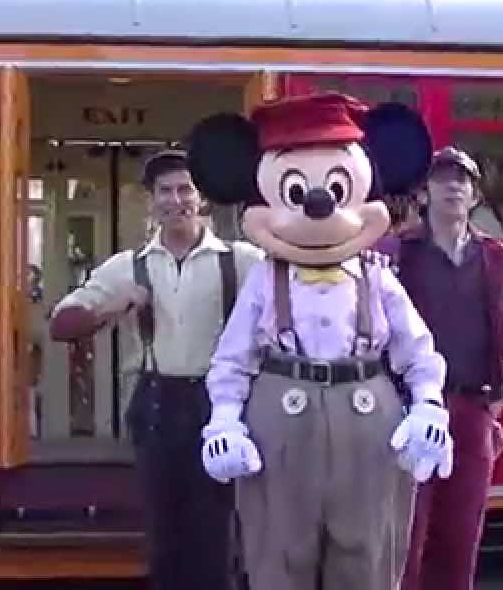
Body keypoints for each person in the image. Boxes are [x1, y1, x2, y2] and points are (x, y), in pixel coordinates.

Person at [187, 94, 451, 590]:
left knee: (368, 549)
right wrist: (224, 420)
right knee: (278, 548)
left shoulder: (378, 277)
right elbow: (233, 358)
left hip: (368, 416)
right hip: (281, 416)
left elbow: (418, 351)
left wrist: (428, 408)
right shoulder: (266, 280)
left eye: (336, 186)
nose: (318, 203)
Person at [48, 149, 262, 590]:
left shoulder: (240, 261)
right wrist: (111, 307)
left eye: (185, 189)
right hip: (156, 406)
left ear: (201, 198)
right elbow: (60, 324)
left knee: (217, 535)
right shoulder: (128, 267)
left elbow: (294, 288)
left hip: (218, 406)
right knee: (165, 534)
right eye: (165, 190)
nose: (175, 199)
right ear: (151, 201)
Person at [383, 147, 503, 590]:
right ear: (423, 192)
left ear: (474, 196)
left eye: (462, 180)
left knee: (459, 541)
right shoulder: (395, 254)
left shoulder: (499, 261)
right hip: (407, 416)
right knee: (404, 540)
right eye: (441, 178)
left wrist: (496, 401)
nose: (452, 186)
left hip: (472, 412)